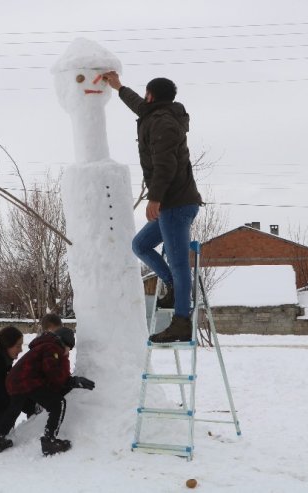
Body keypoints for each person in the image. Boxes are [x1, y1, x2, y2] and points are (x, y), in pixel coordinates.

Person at [103, 71, 203, 343]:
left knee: (180, 264)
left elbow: (165, 165)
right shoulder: (156, 114)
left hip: (175, 204)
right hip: (175, 203)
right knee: (140, 245)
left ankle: (181, 321)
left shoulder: (163, 124)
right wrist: (118, 87)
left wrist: (155, 198)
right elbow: (139, 105)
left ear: (151, 95)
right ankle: (171, 285)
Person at [0, 327, 95, 456]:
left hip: (15, 380)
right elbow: (51, 372)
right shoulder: (53, 348)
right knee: (58, 404)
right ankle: (49, 440)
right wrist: (71, 381)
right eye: (69, 348)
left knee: (14, 409)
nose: (68, 352)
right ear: (65, 343)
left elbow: (49, 376)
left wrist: (66, 383)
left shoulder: (45, 345)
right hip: (28, 381)